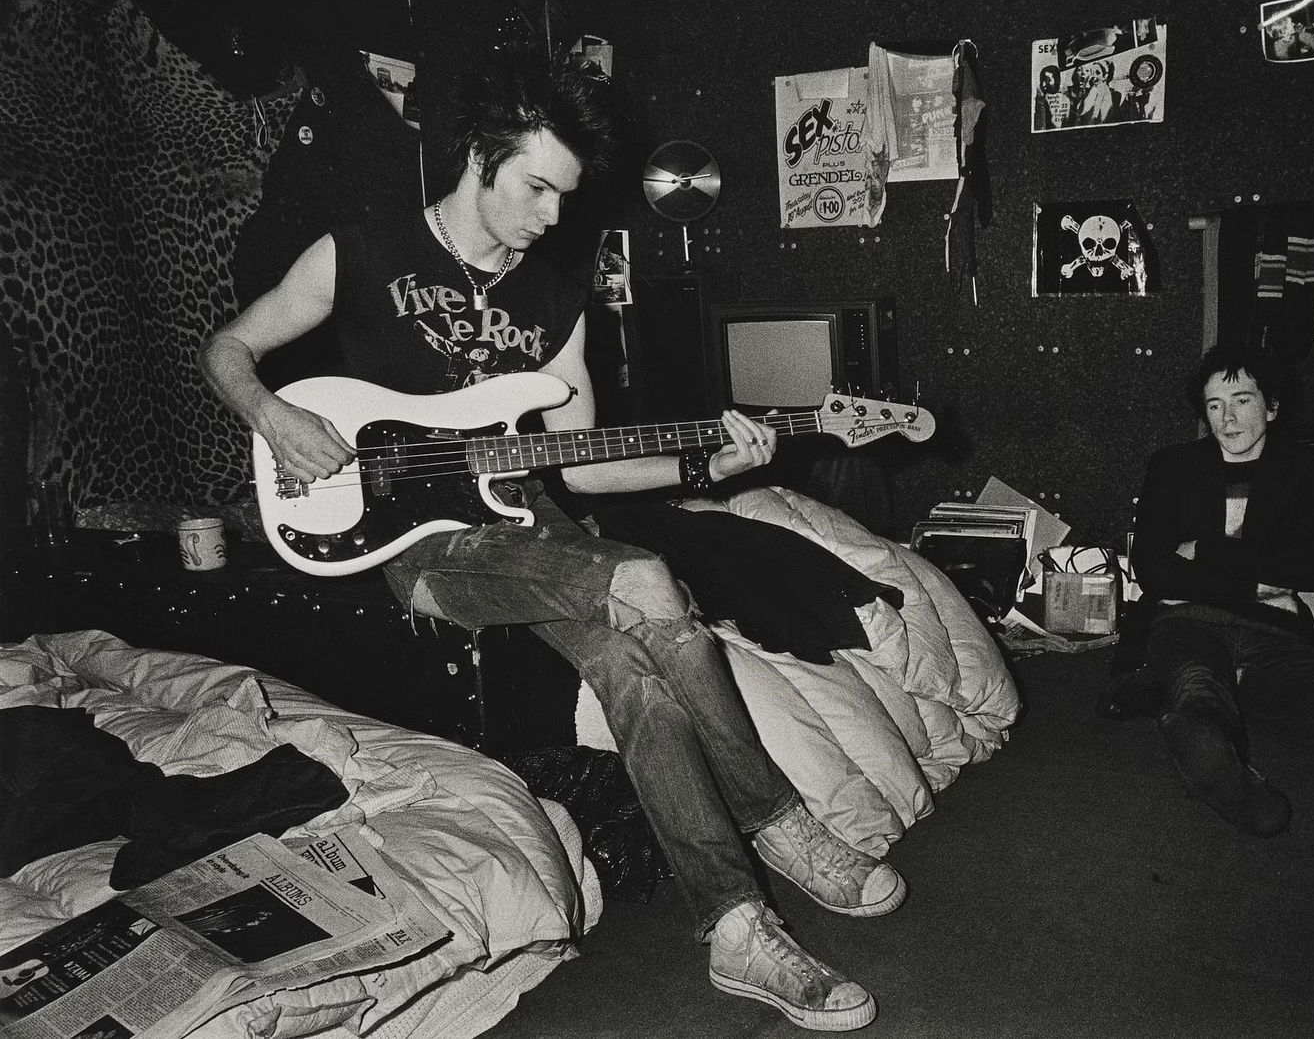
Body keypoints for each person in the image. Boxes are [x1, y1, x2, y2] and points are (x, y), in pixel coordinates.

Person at [202, 52, 903, 1032]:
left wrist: (715, 463)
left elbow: (583, 466)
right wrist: (271, 414)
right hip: (423, 550)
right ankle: (777, 819)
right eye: (536, 187)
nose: (550, 216)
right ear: (481, 158)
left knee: (634, 663)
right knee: (650, 579)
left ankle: (739, 929)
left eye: (564, 197)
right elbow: (226, 348)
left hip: (540, 529)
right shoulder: (357, 251)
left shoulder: (555, 299)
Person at [1100, 345, 1314, 836]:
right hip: (1188, 619)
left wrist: (1206, 550)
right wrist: (1262, 581)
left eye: (1242, 401)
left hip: (1274, 631)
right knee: (1198, 687)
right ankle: (1227, 768)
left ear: (1271, 407)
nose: (1227, 419)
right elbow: (1154, 572)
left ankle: (1182, 688)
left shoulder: (1305, 469)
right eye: (1214, 406)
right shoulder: (1172, 466)